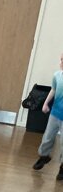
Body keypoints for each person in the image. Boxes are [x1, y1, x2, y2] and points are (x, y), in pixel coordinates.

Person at [32, 53, 63, 181]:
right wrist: (45, 103)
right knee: (47, 137)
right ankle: (44, 156)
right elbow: (53, 90)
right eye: (61, 59)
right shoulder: (57, 75)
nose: (62, 62)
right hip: (55, 113)